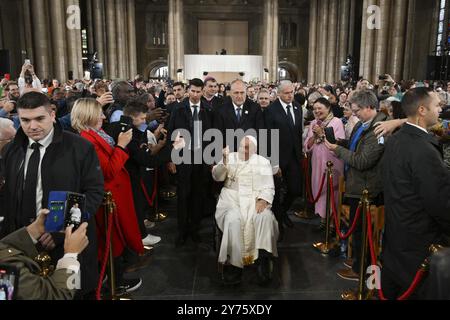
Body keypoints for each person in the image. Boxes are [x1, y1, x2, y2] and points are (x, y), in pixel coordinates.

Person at [0, 92, 104, 298]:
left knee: (72, 293)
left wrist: (61, 231)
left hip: (67, 242)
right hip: (21, 242)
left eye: (39, 118)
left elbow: (94, 192)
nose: (32, 126)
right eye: (25, 120)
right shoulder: (13, 149)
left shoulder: (80, 147)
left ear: (52, 114)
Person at [381, 87, 450, 299]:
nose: (441, 109)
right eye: (437, 105)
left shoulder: (396, 139)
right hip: (419, 240)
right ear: (422, 109)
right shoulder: (423, 150)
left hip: (397, 232)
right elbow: (438, 202)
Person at [71, 98, 145, 292]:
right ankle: (115, 283)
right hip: (108, 198)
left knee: (116, 239)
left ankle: (113, 278)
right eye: (99, 114)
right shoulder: (88, 140)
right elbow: (108, 171)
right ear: (89, 116)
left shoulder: (96, 134)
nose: (104, 117)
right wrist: (121, 146)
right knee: (113, 240)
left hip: (115, 194)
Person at [324, 89, 388, 281]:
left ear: (369, 107)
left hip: (366, 190)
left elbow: (363, 161)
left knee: (362, 232)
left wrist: (337, 150)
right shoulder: (363, 123)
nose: (354, 114)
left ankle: (362, 272)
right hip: (357, 185)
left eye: (357, 110)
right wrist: (340, 143)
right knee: (357, 230)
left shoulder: (378, 129)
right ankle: (359, 261)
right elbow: (355, 146)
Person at [212, 136, 278, 285]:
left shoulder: (263, 162)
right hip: (231, 200)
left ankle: (262, 262)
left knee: (265, 218)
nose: (243, 149)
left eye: (247, 147)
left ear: (254, 149)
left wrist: (263, 199)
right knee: (233, 220)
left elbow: (268, 186)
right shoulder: (231, 158)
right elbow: (217, 177)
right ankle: (234, 265)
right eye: (242, 146)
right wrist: (224, 160)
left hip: (255, 200)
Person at [0, 209, 89, 300]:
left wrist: (33, 231)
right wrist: (71, 256)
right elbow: (57, 296)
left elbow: (3, 250)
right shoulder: (7, 270)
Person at [167, 78, 214, 246]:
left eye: (198, 91)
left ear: (202, 92)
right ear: (188, 90)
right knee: (183, 195)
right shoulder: (178, 108)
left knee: (198, 195)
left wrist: (211, 159)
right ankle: (182, 231)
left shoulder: (208, 109)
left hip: (201, 157)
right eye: (192, 91)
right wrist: (171, 159)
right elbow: (172, 134)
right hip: (183, 158)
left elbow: (212, 134)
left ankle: (194, 228)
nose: (195, 94)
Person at [265, 80, 303, 240]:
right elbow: (267, 137)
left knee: (295, 189)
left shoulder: (297, 107)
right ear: (279, 93)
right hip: (277, 158)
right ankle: (278, 221)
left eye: (292, 92)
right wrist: (273, 162)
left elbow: (298, 131)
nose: (290, 95)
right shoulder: (270, 110)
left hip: (294, 157)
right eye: (286, 93)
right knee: (275, 192)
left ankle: (281, 213)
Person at [302, 98, 345, 227]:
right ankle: (323, 220)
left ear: (328, 108)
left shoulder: (336, 122)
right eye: (314, 109)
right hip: (317, 162)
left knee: (332, 192)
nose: (317, 111)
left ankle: (332, 224)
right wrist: (314, 137)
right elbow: (307, 146)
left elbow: (339, 143)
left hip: (333, 163)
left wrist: (322, 135)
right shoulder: (313, 123)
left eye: (320, 108)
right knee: (319, 190)